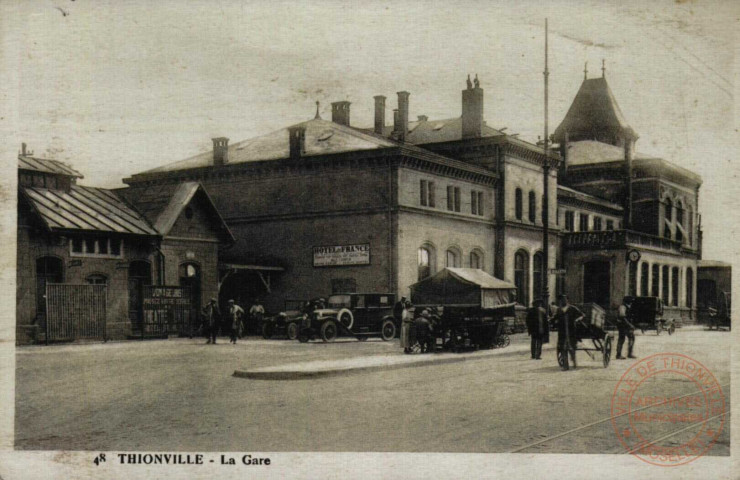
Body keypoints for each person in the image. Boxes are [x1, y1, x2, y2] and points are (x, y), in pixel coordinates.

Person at [553, 295, 583, 368]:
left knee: (572, 348)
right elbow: (555, 318)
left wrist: (577, 320)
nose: (563, 301)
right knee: (563, 348)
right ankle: (565, 365)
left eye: (564, 299)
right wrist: (551, 320)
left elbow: (581, 315)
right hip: (562, 331)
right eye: (562, 300)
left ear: (567, 300)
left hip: (571, 331)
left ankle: (574, 361)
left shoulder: (572, 308)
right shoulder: (559, 310)